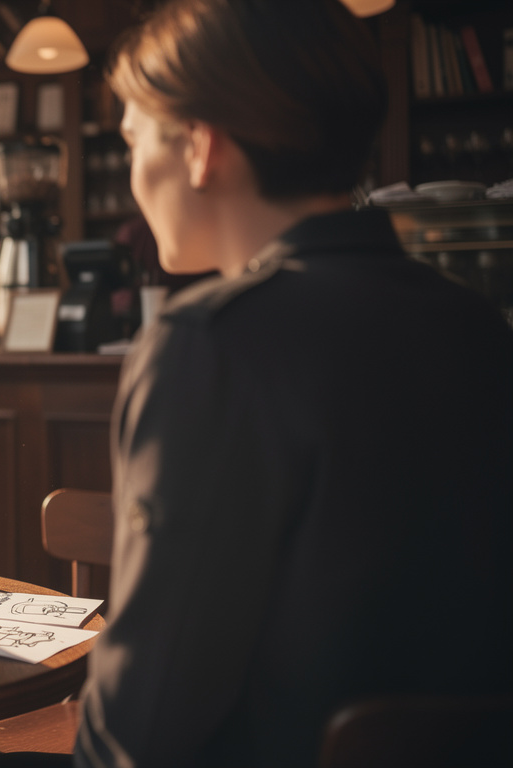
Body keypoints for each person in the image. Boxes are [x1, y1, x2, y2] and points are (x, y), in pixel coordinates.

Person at [62, 1, 513, 766]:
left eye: (134, 139)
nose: (136, 170)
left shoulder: (211, 345)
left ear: (201, 147)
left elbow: (147, 721)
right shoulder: (480, 326)